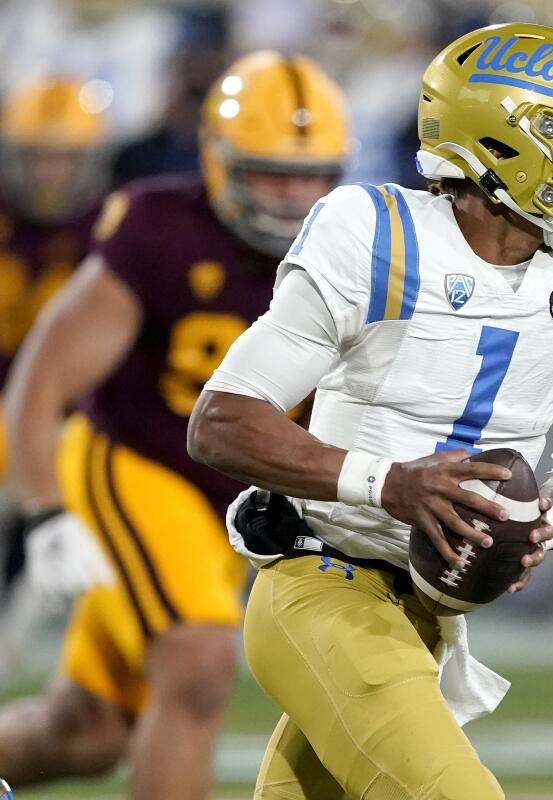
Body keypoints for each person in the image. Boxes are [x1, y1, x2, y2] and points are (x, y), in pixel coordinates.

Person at [186, 22, 553, 800]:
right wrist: (390, 485)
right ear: (500, 146)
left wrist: (542, 523)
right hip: (323, 579)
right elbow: (222, 421)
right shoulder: (378, 235)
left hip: (429, 616)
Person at [0, 51, 351, 799]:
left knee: (86, 733)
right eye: (269, 172)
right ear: (221, 162)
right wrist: (41, 511)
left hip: (223, 507)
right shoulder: (162, 228)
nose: (293, 195)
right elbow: (44, 374)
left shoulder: (355, 249)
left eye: (311, 173)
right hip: (134, 462)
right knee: (197, 663)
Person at [0, 75, 110, 482]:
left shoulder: (112, 228)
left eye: (64, 159)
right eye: (37, 158)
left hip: (68, 411)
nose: (49, 174)